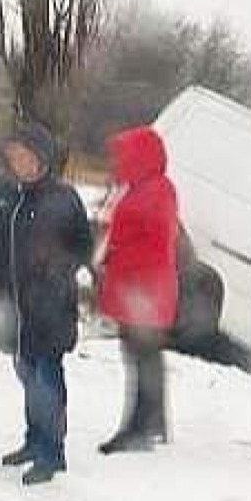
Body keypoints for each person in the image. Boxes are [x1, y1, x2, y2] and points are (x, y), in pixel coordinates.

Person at [0, 123, 93, 485]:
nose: (18, 163)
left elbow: (83, 246)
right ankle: (34, 440)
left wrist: (56, 271)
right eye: (13, 158)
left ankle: (53, 453)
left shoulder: (62, 198)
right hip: (21, 306)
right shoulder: (18, 198)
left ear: (41, 158)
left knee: (47, 379)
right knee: (27, 375)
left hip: (51, 307)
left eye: (24, 156)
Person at [97, 126, 179, 455]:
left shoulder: (155, 191)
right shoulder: (141, 187)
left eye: (123, 154)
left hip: (144, 290)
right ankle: (152, 423)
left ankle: (137, 429)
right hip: (139, 289)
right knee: (144, 357)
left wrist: (115, 256)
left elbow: (156, 244)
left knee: (140, 357)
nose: (117, 161)